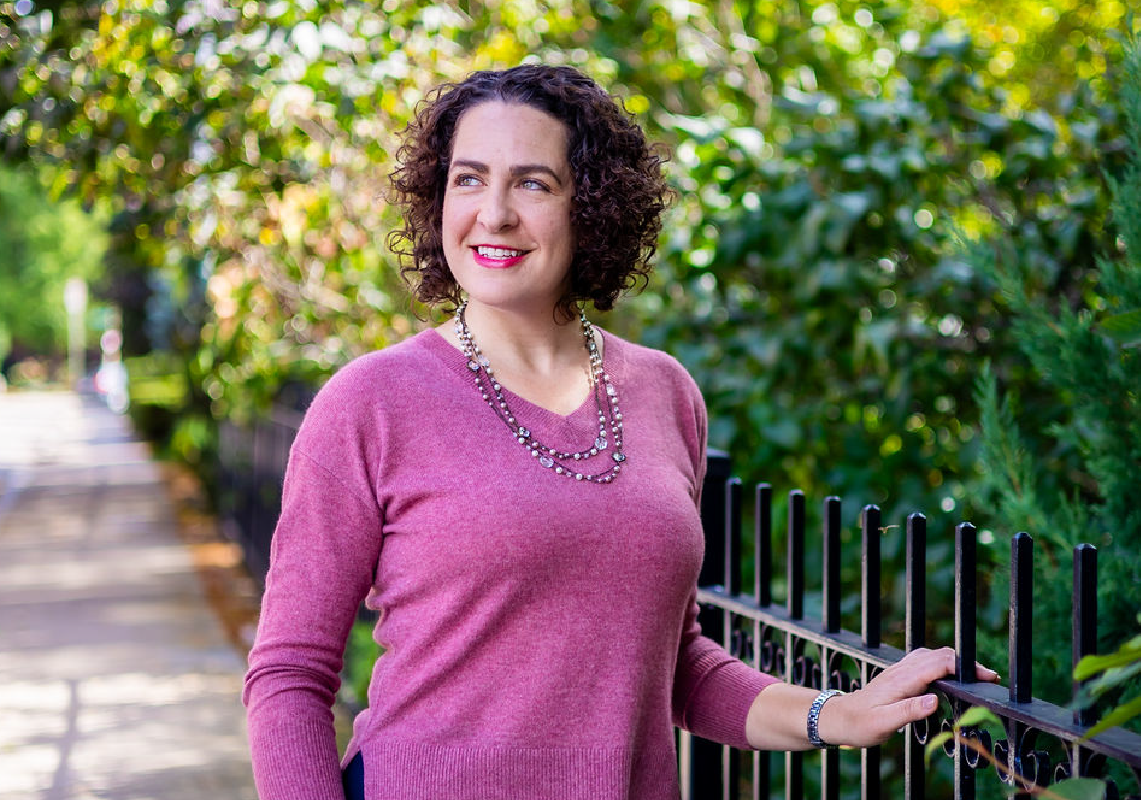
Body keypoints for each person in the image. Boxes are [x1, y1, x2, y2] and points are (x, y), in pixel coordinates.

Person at [241, 64, 999, 800]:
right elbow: (290, 673)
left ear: (591, 206)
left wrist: (836, 713)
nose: (494, 212)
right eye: (468, 178)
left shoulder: (664, 393)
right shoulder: (371, 402)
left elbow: (675, 666)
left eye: (533, 183)